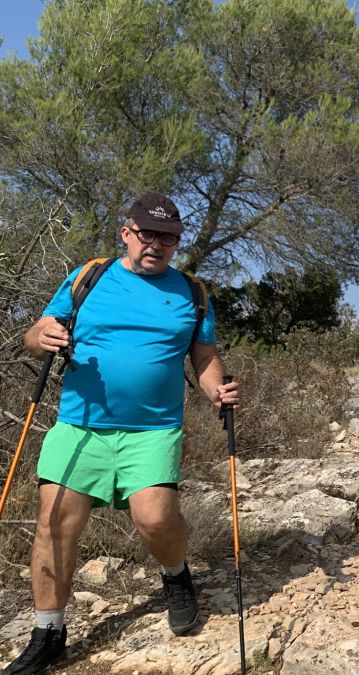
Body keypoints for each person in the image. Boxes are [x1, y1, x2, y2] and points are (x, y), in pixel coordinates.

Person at [7, 194, 238, 674]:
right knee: (54, 524)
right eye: (149, 233)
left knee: (155, 519)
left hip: (152, 430)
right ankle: (48, 631)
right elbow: (36, 334)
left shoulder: (192, 292)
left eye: (169, 237)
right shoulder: (88, 277)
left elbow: (204, 356)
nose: (158, 245)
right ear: (127, 232)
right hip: (80, 424)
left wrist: (215, 389)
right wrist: (41, 337)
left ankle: (175, 575)